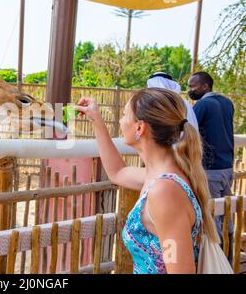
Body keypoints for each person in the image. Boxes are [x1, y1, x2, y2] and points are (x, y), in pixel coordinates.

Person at [76, 88, 219, 274]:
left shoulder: (164, 191)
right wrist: (97, 120)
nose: (120, 120)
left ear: (139, 128)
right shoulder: (160, 176)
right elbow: (117, 172)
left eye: (125, 114)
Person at [187, 71, 235, 260]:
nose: (189, 90)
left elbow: (189, 130)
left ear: (205, 86)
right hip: (227, 166)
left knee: (211, 215)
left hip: (211, 168)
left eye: (193, 86)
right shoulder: (227, 103)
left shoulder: (203, 105)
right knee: (227, 211)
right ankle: (229, 257)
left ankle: (216, 261)